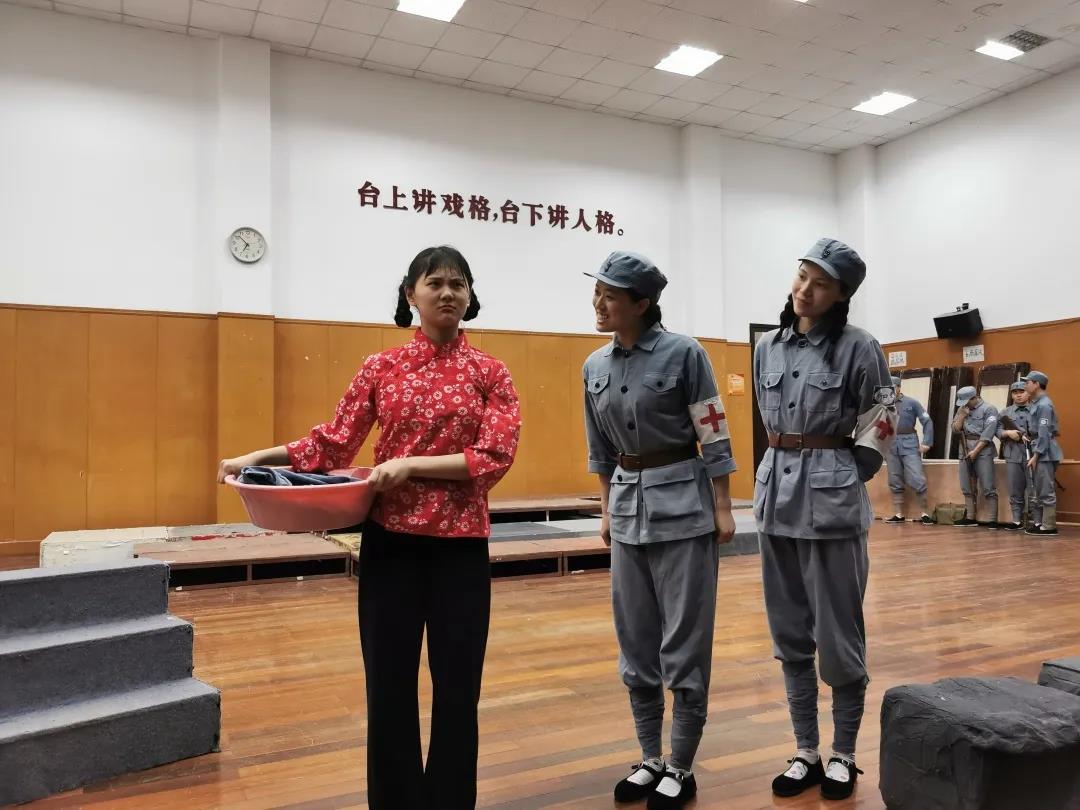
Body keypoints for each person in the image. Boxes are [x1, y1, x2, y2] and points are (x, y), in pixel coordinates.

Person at [217, 246, 521, 810]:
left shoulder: (491, 372)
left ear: (470, 295)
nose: (448, 293)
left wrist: (411, 465)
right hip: (391, 546)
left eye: (458, 283)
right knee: (388, 686)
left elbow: (494, 457)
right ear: (411, 294)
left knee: (459, 689)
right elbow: (332, 443)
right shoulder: (381, 366)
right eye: (435, 283)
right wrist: (254, 458)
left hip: (460, 549)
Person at [582, 251, 736, 810]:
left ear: (642, 303)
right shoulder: (594, 366)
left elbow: (712, 430)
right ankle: (650, 757)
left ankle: (681, 765)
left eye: (610, 295)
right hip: (627, 511)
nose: (599, 304)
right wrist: (606, 510)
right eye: (597, 292)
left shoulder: (684, 353)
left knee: (684, 642)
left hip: (683, 509)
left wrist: (723, 505)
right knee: (636, 640)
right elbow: (599, 449)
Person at [753, 238, 896, 802]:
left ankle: (844, 753)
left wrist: (845, 472)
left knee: (839, 636)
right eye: (802, 276)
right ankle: (805, 750)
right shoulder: (767, 347)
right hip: (776, 502)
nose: (805, 291)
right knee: (789, 634)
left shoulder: (860, 347)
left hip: (832, 506)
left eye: (822, 284)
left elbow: (881, 419)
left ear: (841, 295)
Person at [883, 375, 935, 524]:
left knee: (916, 478)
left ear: (899, 388)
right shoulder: (882, 404)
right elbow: (877, 423)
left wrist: (926, 442)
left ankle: (925, 513)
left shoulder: (912, 403)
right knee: (894, 479)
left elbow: (927, 421)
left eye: (892, 388)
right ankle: (898, 514)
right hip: (891, 443)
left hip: (909, 442)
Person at [951, 386, 999, 528]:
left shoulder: (989, 409)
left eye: (967, 401)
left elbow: (988, 433)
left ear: (974, 398)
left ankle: (992, 520)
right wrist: (961, 416)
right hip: (964, 448)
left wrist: (976, 451)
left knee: (988, 486)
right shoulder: (962, 410)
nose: (965, 404)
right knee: (966, 486)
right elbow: (955, 429)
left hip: (983, 449)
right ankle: (970, 517)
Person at [1022, 371, 1062, 537]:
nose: (1025, 385)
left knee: (1046, 489)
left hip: (1044, 452)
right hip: (1038, 447)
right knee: (1039, 489)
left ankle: (1049, 526)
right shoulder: (1037, 403)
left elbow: (1044, 433)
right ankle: (1042, 524)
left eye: (1027, 382)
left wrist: (1036, 455)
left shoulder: (1044, 405)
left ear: (1036, 384)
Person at [997, 381, 1035, 531]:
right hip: (1013, 453)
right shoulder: (1005, 412)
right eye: (1015, 392)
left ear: (1028, 393)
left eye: (1022, 391)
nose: (1018, 395)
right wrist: (1008, 433)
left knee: (1034, 489)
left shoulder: (1037, 409)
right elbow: (997, 430)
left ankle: (1036, 521)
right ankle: (1017, 520)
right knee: (1015, 488)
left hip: (1032, 453)